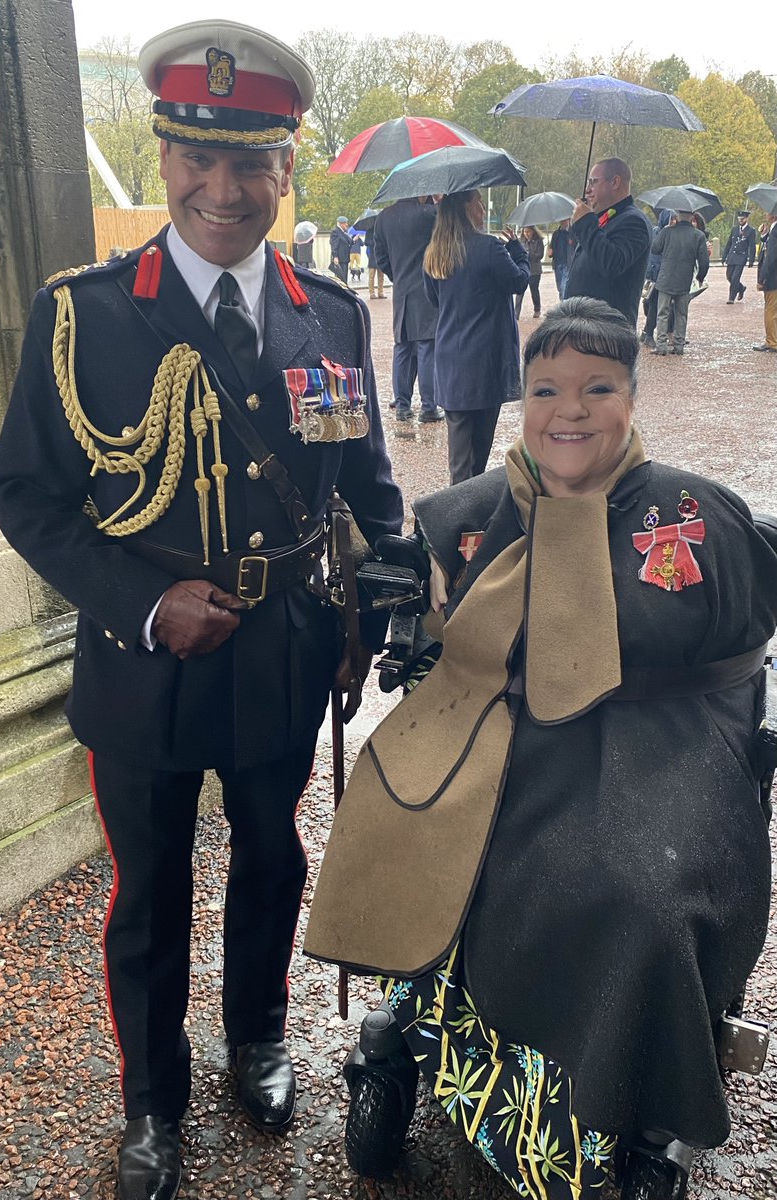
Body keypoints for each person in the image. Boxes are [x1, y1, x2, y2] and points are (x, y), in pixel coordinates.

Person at [0, 20, 403, 1200]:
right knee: (152, 893)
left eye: (252, 162)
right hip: (147, 665)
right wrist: (141, 601)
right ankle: (151, 1104)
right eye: (195, 158)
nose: (222, 190)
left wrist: (381, 597)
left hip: (283, 651)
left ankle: (259, 1041)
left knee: (272, 861)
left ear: (288, 167)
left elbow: (368, 489)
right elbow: (24, 491)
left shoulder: (332, 313)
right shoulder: (86, 315)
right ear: (163, 155)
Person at [306, 297, 777, 1197]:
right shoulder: (467, 516)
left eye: (597, 387)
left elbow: (743, 653)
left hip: (661, 744)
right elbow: (429, 650)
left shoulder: (697, 513)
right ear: (520, 398)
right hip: (498, 731)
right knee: (435, 835)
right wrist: (397, 599)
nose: (571, 409)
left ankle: (620, 1099)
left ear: (631, 396)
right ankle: (437, 1039)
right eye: (547, 389)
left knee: (637, 888)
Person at [422, 190, 530, 484]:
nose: (483, 208)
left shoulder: (435, 253)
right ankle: (468, 519)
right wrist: (519, 251)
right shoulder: (489, 247)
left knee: (459, 459)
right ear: (466, 208)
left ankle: (457, 517)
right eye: (478, 202)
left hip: (450, 360)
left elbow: (435, 300)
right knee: (478, 455)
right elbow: (519, 281)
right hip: (484, 360)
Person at [373, 195, 444, 423]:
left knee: (402, 348)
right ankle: (428, 407)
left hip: (401, 290)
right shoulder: (430, 214)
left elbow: (381, 258)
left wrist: (399, 277)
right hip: (426, 288)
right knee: (426, 347)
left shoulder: (384, 217)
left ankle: (403, 405)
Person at [564, 157, 652, 328]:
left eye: (593, 182)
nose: (587, 190)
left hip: (608, 332)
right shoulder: (607, 218)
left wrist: (586, 222)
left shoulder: (634, 221)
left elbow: (612, 262)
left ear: (615, 182)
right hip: (585, 326)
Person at [650, 209, 709, 356]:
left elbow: (655, 248)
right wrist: (700, 277)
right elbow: (704, 261)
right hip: (684, 278)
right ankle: (679, 345)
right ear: (692, 217)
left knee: (662, 312)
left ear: (677, 217)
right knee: (681, 314)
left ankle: (661, 345)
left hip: (665, 278)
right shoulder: (698, 235)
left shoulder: (667, 232)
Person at [640, 208, 674, 349]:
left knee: (655, 305)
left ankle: (647, 333)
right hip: (655, 274)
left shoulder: (661, 232)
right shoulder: (659, 233)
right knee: (654, 305)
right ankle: (648, 334)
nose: (673, 222)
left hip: (657, 273)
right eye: (671, 219)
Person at [753, 210, 777, 352]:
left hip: (773, 278)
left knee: (770, 311)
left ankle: (772, 341)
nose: (765, 214)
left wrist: (762, 278)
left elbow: (771, 257)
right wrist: (765, 235)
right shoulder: (772, 231)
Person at [722, 210, 757, 303]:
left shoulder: (751, 231)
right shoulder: (734, 229)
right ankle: (741, 288)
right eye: (739, 218)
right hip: (732, 256)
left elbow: (752, 245)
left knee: (735, 278)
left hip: (741, 257)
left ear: (747, 218)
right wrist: (724, 256)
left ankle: (731, 298)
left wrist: (751, 260)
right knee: (729, 276)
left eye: (742, 218)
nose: (740, 220)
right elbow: (729, 243)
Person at [514, 225, 545, 318]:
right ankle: (516, 313)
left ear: (533, 231)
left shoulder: (539, 241)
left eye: (528, 232)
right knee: (519, 292)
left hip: (535, 270)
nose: (526, 234)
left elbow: (540, 255)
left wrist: (529, 253)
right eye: (525, 232)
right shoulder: (521, 241)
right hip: (523, 269)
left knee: (534, 290)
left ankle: (537, 309)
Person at [547, 218, 576, 299]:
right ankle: (562, 303)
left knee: (564, 286)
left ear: (569, 220)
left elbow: (576, 246)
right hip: (557, 263)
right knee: (560, 287)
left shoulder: (572, 233)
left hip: (567, 263)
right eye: (561, 220)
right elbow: (551, 247)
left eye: (565, 220)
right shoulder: (556, 234)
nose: (563, 222)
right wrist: (550, 252)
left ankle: (564, 304)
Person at [330, 216, 352, 283]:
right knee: (341, 279)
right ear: (341, 224)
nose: (346, 225)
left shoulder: (343, 232)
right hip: (340, 259)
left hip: (344, 259)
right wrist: (335, 257)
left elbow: (349, 242)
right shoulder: (335, 231)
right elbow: (334, 245)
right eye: (345, 223)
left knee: (344, 278)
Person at [365, 225, 386, 299]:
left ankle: (380, 292)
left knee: (381, 276)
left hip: (380, 255)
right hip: (372, 256)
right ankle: (372, 293)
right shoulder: (369, 230)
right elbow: (366, 242)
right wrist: (374, 242)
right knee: (371, 276)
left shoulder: (381, 230)